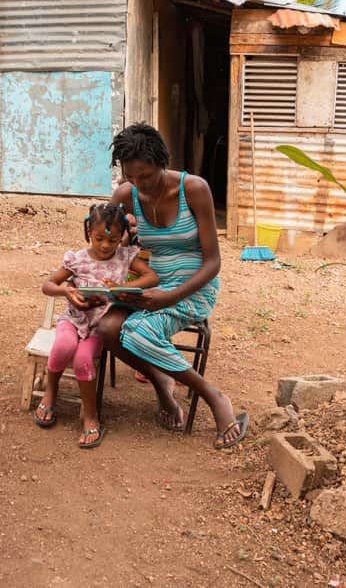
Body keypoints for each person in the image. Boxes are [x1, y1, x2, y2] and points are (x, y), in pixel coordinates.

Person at [99, 122, 249, 449]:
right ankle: (161, 382)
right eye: (131, 177)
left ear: (162, 163)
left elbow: (213, 262)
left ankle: (214, 396)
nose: (140, 185)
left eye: (147, 176)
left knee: (137, 333)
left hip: (191, 288)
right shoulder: (126, 195)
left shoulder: (193, 189)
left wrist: (170, 296)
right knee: (107, 329)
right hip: (148, 283)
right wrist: (120, 248)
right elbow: (106, 248)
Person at [36, 203, 159, 448]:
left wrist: (121, 288)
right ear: (89, 232)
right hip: (73, 319)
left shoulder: (125, 257)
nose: (105, 245)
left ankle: (91, 416)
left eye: (112, 240)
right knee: (62, 347)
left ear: (121, 237)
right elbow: (48, 285)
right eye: (99, 238)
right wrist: (66, 290)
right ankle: (51, 393)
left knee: (83, 359)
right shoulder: (77, 259)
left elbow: (152, 277)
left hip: (100, 326)